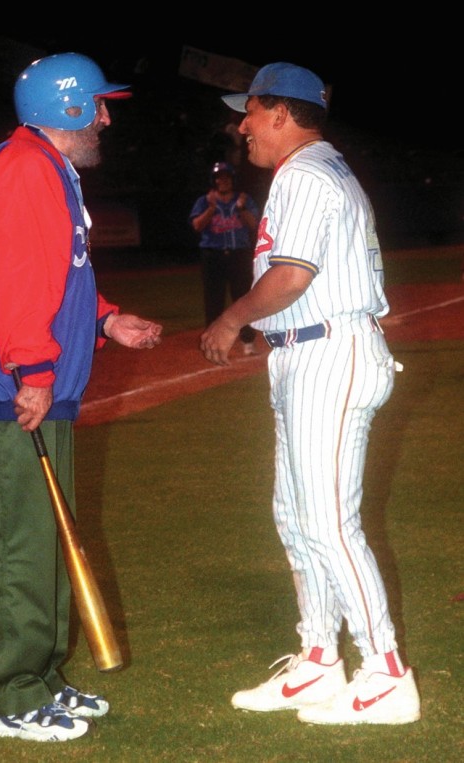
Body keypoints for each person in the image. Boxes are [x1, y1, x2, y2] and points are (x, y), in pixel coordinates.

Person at [0, 52, 163, 743]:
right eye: (97, 105)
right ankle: (8, 696)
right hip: (16, 386)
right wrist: (33, 369)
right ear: (66, 108)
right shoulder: (24, 169)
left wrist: (103, 319)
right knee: (25, 543)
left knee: (48, 535)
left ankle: (41, 677)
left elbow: (56, 271)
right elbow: (15, 279)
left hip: (38, 381)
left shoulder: (45, 168)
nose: (105, 117)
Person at [200, 62, 421, 725]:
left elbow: (293, 275)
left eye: (252, 109)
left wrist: (232, 317)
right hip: (309, 351)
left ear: (282, 113)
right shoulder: (321, 167)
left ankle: (384, 672)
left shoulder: (302, 172)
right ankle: (322, 656)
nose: (242, 124)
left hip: (331, 350)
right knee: (297, 517)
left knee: (325, 520)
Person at [189, 161, 260, 355]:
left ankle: (248, 341)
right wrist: (211, 208)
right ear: (214, 181)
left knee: (244, 298)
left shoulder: (243, 199)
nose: (223, 181)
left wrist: (242, 208)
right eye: (219, 178)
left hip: (239, 255)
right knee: (214, 301)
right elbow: (197, 225)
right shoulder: (205, 201)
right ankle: (213, 343)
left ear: (232, 179)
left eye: (226, 177)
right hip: (213, 256)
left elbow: (253, 225)